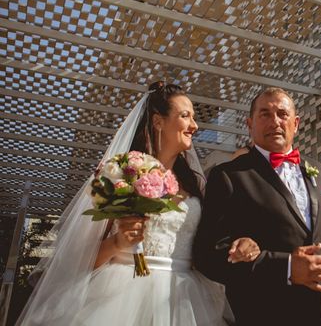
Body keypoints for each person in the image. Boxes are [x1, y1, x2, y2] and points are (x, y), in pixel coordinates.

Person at [17, 82, 259, 326]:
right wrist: (117, 243)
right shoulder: (120, 175)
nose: (194, 126)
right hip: (121, 296)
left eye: (193, 118)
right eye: (185, 116)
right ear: (157, 122)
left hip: (186, 298)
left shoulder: (197, 186)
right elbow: (78, 260)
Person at [193, 87, 321, 326]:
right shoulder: (228, 176)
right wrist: (286, 267)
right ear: (250, 124)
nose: (275, 122)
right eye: (265, 114)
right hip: (266, 315)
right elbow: (208, 255)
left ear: (296, 123)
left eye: (282, 114)